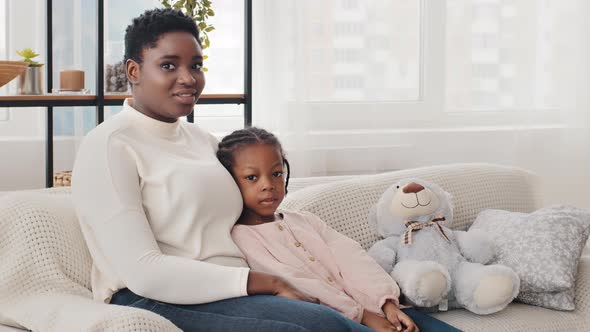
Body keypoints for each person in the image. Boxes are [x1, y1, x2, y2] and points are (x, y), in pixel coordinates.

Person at [72, 8, 379, 332]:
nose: (189, 78)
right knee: (320, 327)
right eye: (168, 65)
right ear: (133, 71)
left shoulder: (203, 141)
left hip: (237, 290)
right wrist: (266, 282)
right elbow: (143, 272)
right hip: (155, 297)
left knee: (392, 318)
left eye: (196, 66)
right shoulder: (109, 146)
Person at [218, 127, 463, 332]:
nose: (268, 186)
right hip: (340, 322)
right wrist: (362, 316)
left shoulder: (305, 220)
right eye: (252, 177)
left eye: (276, 174)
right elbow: (298, 285)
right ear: (229, 181)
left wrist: (387, 304)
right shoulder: (241, 238)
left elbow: (352, 258)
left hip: (379, 309)